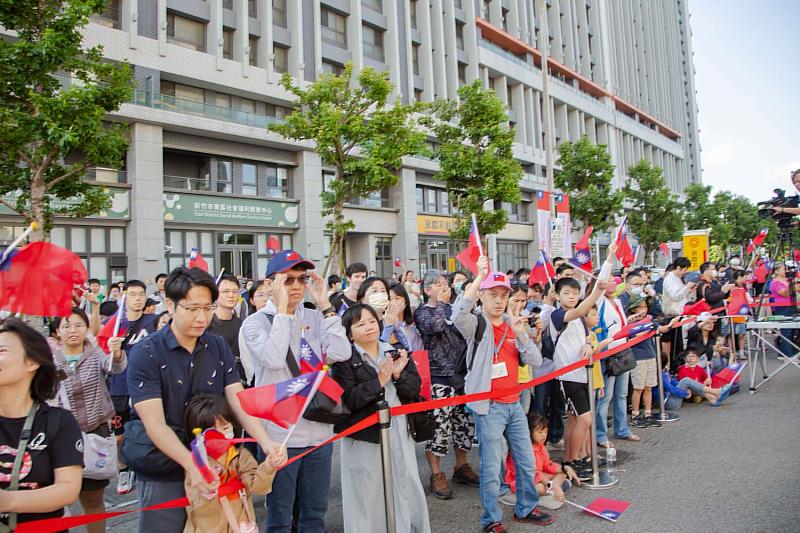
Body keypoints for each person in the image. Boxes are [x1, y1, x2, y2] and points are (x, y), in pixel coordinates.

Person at [125, 267, 286, 533]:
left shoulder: (217, 345)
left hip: (216, 463)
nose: (202, 317)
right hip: (165, 464)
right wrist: (192, 464)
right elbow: (154, 423)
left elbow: (238, 400)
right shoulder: (146, 352)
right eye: (192, 308)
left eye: (207, 307)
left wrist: (266, 442)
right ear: (170, 305)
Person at [240, 250, 351, 533]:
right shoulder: (255, 322)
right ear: (270, 283)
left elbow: (340, 352)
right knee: (279, 516)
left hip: (318, 430)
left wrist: (325, 305)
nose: (297, 286)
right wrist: (282, 313)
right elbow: (274, 359)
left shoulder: (314, 316)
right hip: (280, 436)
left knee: (315, 514)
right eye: (288, 280)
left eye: (302, 279)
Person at [453, 256, 554, 531]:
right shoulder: (477, 324)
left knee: (525, 460)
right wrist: (478, 278)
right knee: (490, 467)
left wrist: (522, 335)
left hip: (515, 405)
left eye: (503, 295)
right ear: (483, 296)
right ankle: (491, 519)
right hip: (490, 406)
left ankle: (525, 508)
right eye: (492, 295)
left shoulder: (513, 325)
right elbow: (457, 315)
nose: (498, 300)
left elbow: (534, 360)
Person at [331, 304, 431, 533]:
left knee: (404, 483)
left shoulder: (393, 350)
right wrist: (379, 380)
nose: (369, 327)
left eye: (372, 321)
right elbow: (349, 400)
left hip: (398, 429)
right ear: (349, 333)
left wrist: (397, 375)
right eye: (360, 324)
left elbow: (414, 388)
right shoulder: (344, 362)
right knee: (367, 492)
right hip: (365, 436)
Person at [0, 319, 83, 530]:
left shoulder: (58, 421)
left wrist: (7, 501)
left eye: (1, 350)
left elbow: (67, 489)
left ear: (32, 363)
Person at [52, 308, 126, 533]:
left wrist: (117, 354)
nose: (72, 330)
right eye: (66, 326)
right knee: (57, 500)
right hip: (60, 438)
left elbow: (113, 367)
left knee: (93, 500)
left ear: (86, 329)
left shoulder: (95, 354)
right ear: (57, 331)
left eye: (78, 325)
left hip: (95, 433)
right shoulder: (48, 360)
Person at [550, 248, 613, 479]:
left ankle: (570, 458)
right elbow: (580, 310)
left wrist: (588, 343)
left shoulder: (579, 318)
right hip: (567, 377)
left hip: (581, 375)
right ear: (557, 295)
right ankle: (574, 460)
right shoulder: (558, 316)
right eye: (567, 293)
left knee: (575, 419)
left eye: (575, 293)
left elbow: (586, 333)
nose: (572, 296)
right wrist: (597, 292)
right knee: (585, 419)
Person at [415, 269, 476, 500]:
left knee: (464, 425)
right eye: (438, 284)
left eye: (445, 284)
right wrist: (440, 303)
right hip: (439, 378)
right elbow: (435, 327)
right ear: (427, 289)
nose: (444, 287)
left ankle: (461, 467)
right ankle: (436, 474)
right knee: (440, 429)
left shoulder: (454, 309)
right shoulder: (422, 312)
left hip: (462, 376)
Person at [182, 395, 277, 532]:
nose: (221, 435)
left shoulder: (241, 457)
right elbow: (198, 508)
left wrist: (268, 467)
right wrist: (209, 490)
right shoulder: (195, 464)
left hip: (241, 526)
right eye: (213, 432)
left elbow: (258, 487)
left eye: (226, 428)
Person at [107, 279, 159, 495]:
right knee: (119, 435)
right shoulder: (114, 322)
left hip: (146, 385)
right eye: (133, 294)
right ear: (124, 297)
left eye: (141, 294)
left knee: (149, 428)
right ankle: (123, 470)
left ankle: (144, 466)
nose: (137, 298)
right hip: (118, 386)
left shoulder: (154, 321)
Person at [594, 280, 640, 448]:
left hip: (623, 349)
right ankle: (601, 434)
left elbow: (620, 324)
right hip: (608, 353)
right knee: (606, 397)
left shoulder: (618, 301)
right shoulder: (599, 301)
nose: (613, 283)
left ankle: (622, 429)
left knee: (621, 394)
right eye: (609, 280)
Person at [504, 414, 579, 510]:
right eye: (540, 432)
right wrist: (552, 485)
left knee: (563, 473)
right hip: (522, 480)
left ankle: (551, 490)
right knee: (538, 488)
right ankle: (552, 490)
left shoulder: (541, 447)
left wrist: (564, 468)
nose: (544, 435)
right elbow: (531, 473)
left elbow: (548, 465)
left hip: (538, 476)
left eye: (546, 432)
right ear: (529, 432)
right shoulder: (524, 450)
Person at [627, 294, 678, 428]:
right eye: (640, 307)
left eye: (645, 307)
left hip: (651, 355)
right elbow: (636, 336)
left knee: (649, 386)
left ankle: (648, 413)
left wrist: (671, 325)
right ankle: (635, 414)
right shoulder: (631, 322)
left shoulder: (649, 319)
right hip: (638, 357)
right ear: (633, 309)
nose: (643, 310)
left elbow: (661, 329)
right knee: (638, 388)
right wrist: (646, 329)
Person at [209, 274, 246, 384]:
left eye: (235, 291)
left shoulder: (244, 324)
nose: (231, 295)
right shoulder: (206, 325)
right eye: (225, 291)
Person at [661, 257, 696, 369]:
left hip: (680, 313)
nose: (685, 272)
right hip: (672, 314)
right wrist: (687, 288)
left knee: (678, 344)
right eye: (685, 269)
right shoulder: (669, 279)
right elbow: (675, 296)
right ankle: (672, 366)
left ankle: (676, 366)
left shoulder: (678, 279)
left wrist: (689, 290)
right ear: (679, 268)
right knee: (674, 344)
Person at [384, 283, 424, 352]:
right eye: (390, 299)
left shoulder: (413, 327)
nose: (393, 302)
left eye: (397, 298)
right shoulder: (382, 326)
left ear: (405, 301)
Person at [769, 262, 798, 358]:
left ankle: (789, 350)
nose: (786, 271)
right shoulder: (775, 282)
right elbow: (784, 293)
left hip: (791, 306)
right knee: (786, 330)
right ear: (776, 271)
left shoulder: (787, 280)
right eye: (783, 269)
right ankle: (786, 353)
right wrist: (793, 286)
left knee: (793, 329)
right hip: (782, 307)